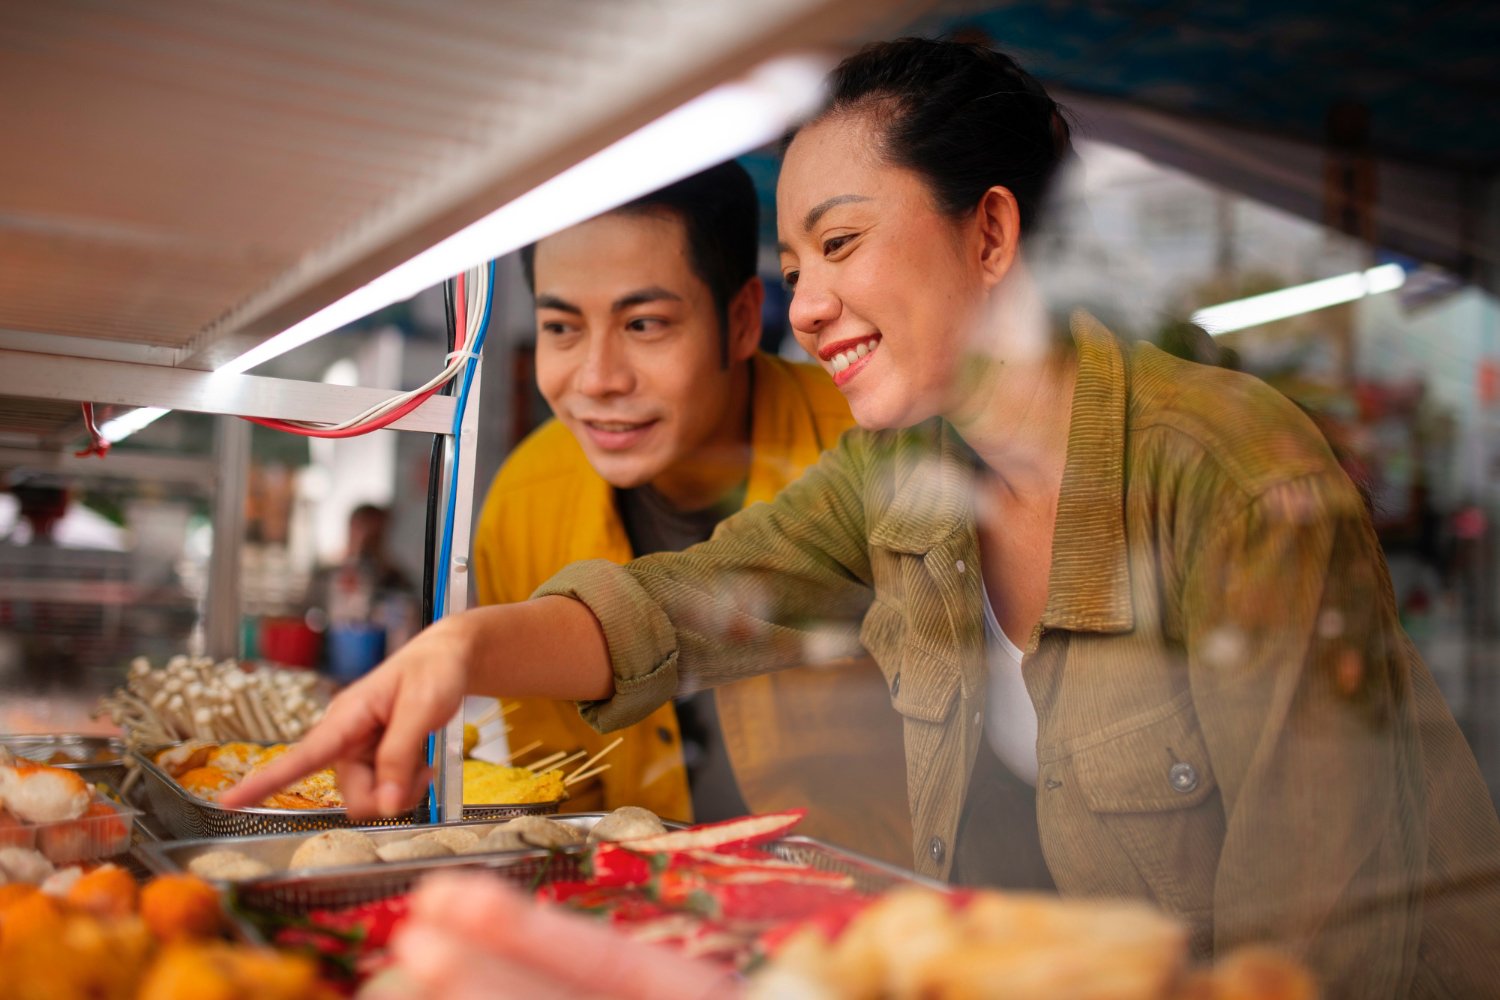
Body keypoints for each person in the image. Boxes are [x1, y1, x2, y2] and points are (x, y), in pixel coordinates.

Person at [228, 38, 1500, 996]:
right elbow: (690, 602)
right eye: (794, 271)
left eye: (841, 244)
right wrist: (455, 651)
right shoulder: (902, 478)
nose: (809, 306)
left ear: (991, 230)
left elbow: (1320, 944)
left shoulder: (1230, 476)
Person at [468, 162, 909, 856]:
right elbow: (554, 792)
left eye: (643, 323)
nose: (598, 380)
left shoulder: (874, 447)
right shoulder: (524, 503)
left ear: (739, 321)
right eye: (561, 328)